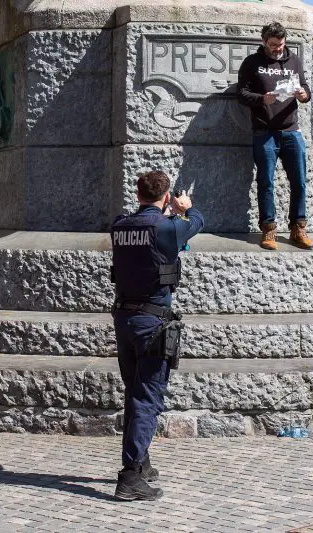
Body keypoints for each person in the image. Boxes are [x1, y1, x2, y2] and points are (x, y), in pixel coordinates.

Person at [110, 171, 204, 501]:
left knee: (134, 390)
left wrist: (166, 211)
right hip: (152, 322)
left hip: (124, 319)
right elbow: (197, 222)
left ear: (138, 195)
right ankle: (130, 477)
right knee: (148, 395)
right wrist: (184, 208)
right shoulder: (168, 227)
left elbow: (141, 235)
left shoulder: (120, 226)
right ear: (166, 197)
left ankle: (142, 461)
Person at [237, 21, 313, 251]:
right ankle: (269, 229)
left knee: (299, 181)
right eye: (272, 45)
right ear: (263, 42)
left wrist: (303, 94)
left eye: (280, 44)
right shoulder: (252, 63)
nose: (277, 49)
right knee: (266, 182)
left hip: (291, 130)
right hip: (264, 131)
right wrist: (262, 99)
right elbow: (241, 93)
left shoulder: (294, 61)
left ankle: (298, 227)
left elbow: (306, 88)